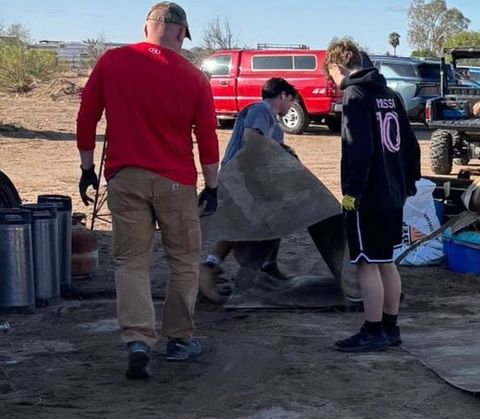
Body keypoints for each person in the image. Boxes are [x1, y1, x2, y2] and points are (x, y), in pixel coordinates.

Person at [76, 2, 219, 379]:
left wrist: (87, 168)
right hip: (176, 181)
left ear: (146, 28)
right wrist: (213, 185)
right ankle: (179, 339)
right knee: (183, 260)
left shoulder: (112, 61)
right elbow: (207, 138)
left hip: (125, 177)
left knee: (130, 261)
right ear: (179, 33)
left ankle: (138, 339)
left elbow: (87, 115)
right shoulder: (194, 77)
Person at [323, 38, 421, 353]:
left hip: (369, 194)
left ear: (337, 65)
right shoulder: (390, 95)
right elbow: (411, 143)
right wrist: (409, 181)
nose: (332, 81)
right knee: (386, 261)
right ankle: (391, 327)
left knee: (367, 263)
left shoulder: (356, 95)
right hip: (393, 191)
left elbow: (359, 147)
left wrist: (352, 191)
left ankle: (373, 329)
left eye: (330, 73)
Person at [199, 77, 300, 303]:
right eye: (291, 101)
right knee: (241, 225)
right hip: (239, 177)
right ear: (283, 95)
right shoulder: (261, 109)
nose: (291, 106)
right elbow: (252, 139)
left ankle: (267, 266)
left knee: (270, 220)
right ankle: (208, 267)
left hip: (251, 178)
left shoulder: (275, 124)